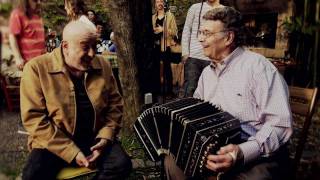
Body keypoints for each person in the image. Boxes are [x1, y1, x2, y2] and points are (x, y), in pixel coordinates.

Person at [165, 7, 292, 180]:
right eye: (200, 32)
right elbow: (197, 115)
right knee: (172, 162)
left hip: (256, 153)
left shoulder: (258, 68)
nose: (200, 39)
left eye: (207, 33)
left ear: (228, 37)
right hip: (215, 148)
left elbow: (280, 126)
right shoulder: (207, 73)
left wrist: (242, 152)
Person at [20, 21, 132, 180]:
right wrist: (71, 151)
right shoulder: (36, 69)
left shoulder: (103, 65)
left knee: (121, 165)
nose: (93, 54)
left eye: (95, 46)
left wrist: (105, 137)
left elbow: (115, 105)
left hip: (94, 139)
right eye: (86, 47)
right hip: (53, 143)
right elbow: (34, 120)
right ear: (65, 46)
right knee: (32, 176)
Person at [181, 0, 224, 97]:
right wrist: (185, 52)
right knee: (190, 90)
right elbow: (187, 29)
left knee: (211, 92)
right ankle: (188, 112)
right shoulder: (195, 8)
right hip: (194, 56)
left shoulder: (224, 10)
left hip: (214, 58)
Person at [8, 0, 46, 70]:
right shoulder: (17, 13)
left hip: (41, 63)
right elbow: (12, 36)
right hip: (28, 65)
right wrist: (18, 58)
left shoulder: (37, 14)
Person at [152, 0, 178, 97]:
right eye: (157, 1)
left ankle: (169, 91)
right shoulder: (153, 17)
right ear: (155, 4)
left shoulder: (169, 16)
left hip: (165, 45)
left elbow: (175, 31)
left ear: (163, 3)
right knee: (156, 69)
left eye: (161, 1)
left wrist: (163, 29)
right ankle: (157, 91)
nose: (159, 3)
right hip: (155, 46)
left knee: (167, 69)